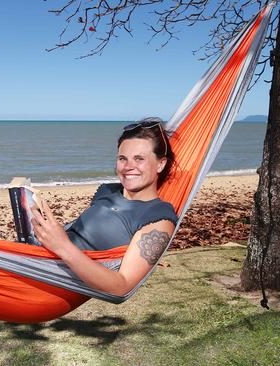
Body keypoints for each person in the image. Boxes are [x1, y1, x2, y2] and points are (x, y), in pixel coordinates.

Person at [30, 117, 178, 296]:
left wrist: (62, 246)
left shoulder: (159, 217)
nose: (128, 167)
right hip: (33, 256)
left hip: (49, 280)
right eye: (122, 158)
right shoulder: (107, 191)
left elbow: (122, 286)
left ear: (160, 164)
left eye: (139, 159)